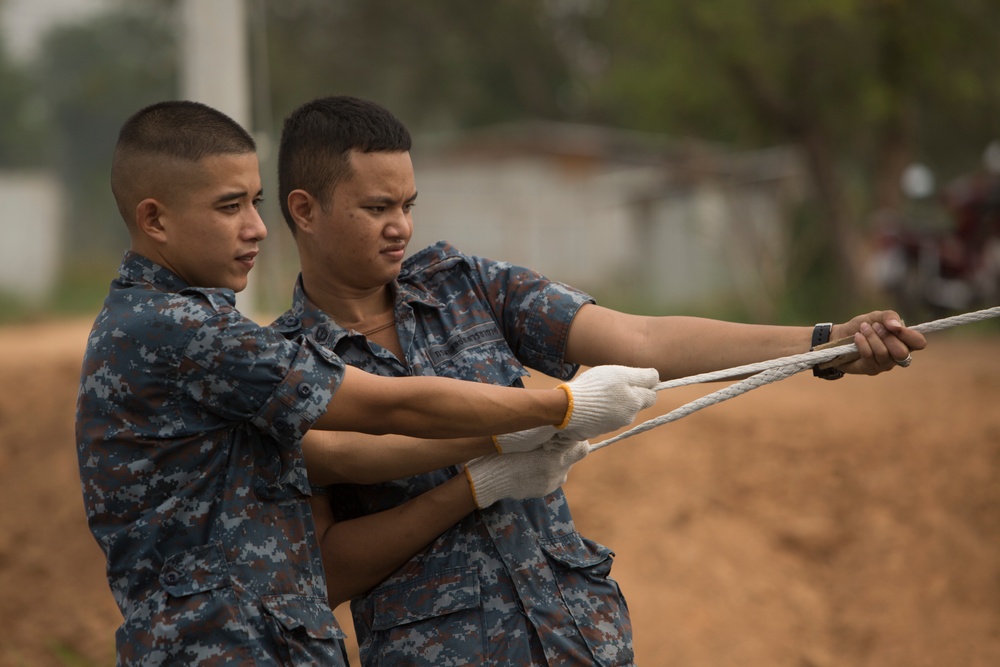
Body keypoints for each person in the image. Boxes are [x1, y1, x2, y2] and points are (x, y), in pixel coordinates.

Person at [272, 95, 928, 666]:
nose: (402, 227)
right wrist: (477, 484)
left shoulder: (464, 285)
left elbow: (640, 339)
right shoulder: (279, 367)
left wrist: (821, 344)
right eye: (377, 206)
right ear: (306, 209)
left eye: (409, 204)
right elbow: (325, 571)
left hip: (581, 640)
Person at [75, 100, 661, 666]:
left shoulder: (177, 324)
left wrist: (498, 453)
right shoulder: (179, 329)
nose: (257, 228)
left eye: (255, 202)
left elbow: (340, 454)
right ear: (154, 218)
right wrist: (558, 406)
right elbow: (386, 408)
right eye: (230, 207)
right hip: (223, 646)